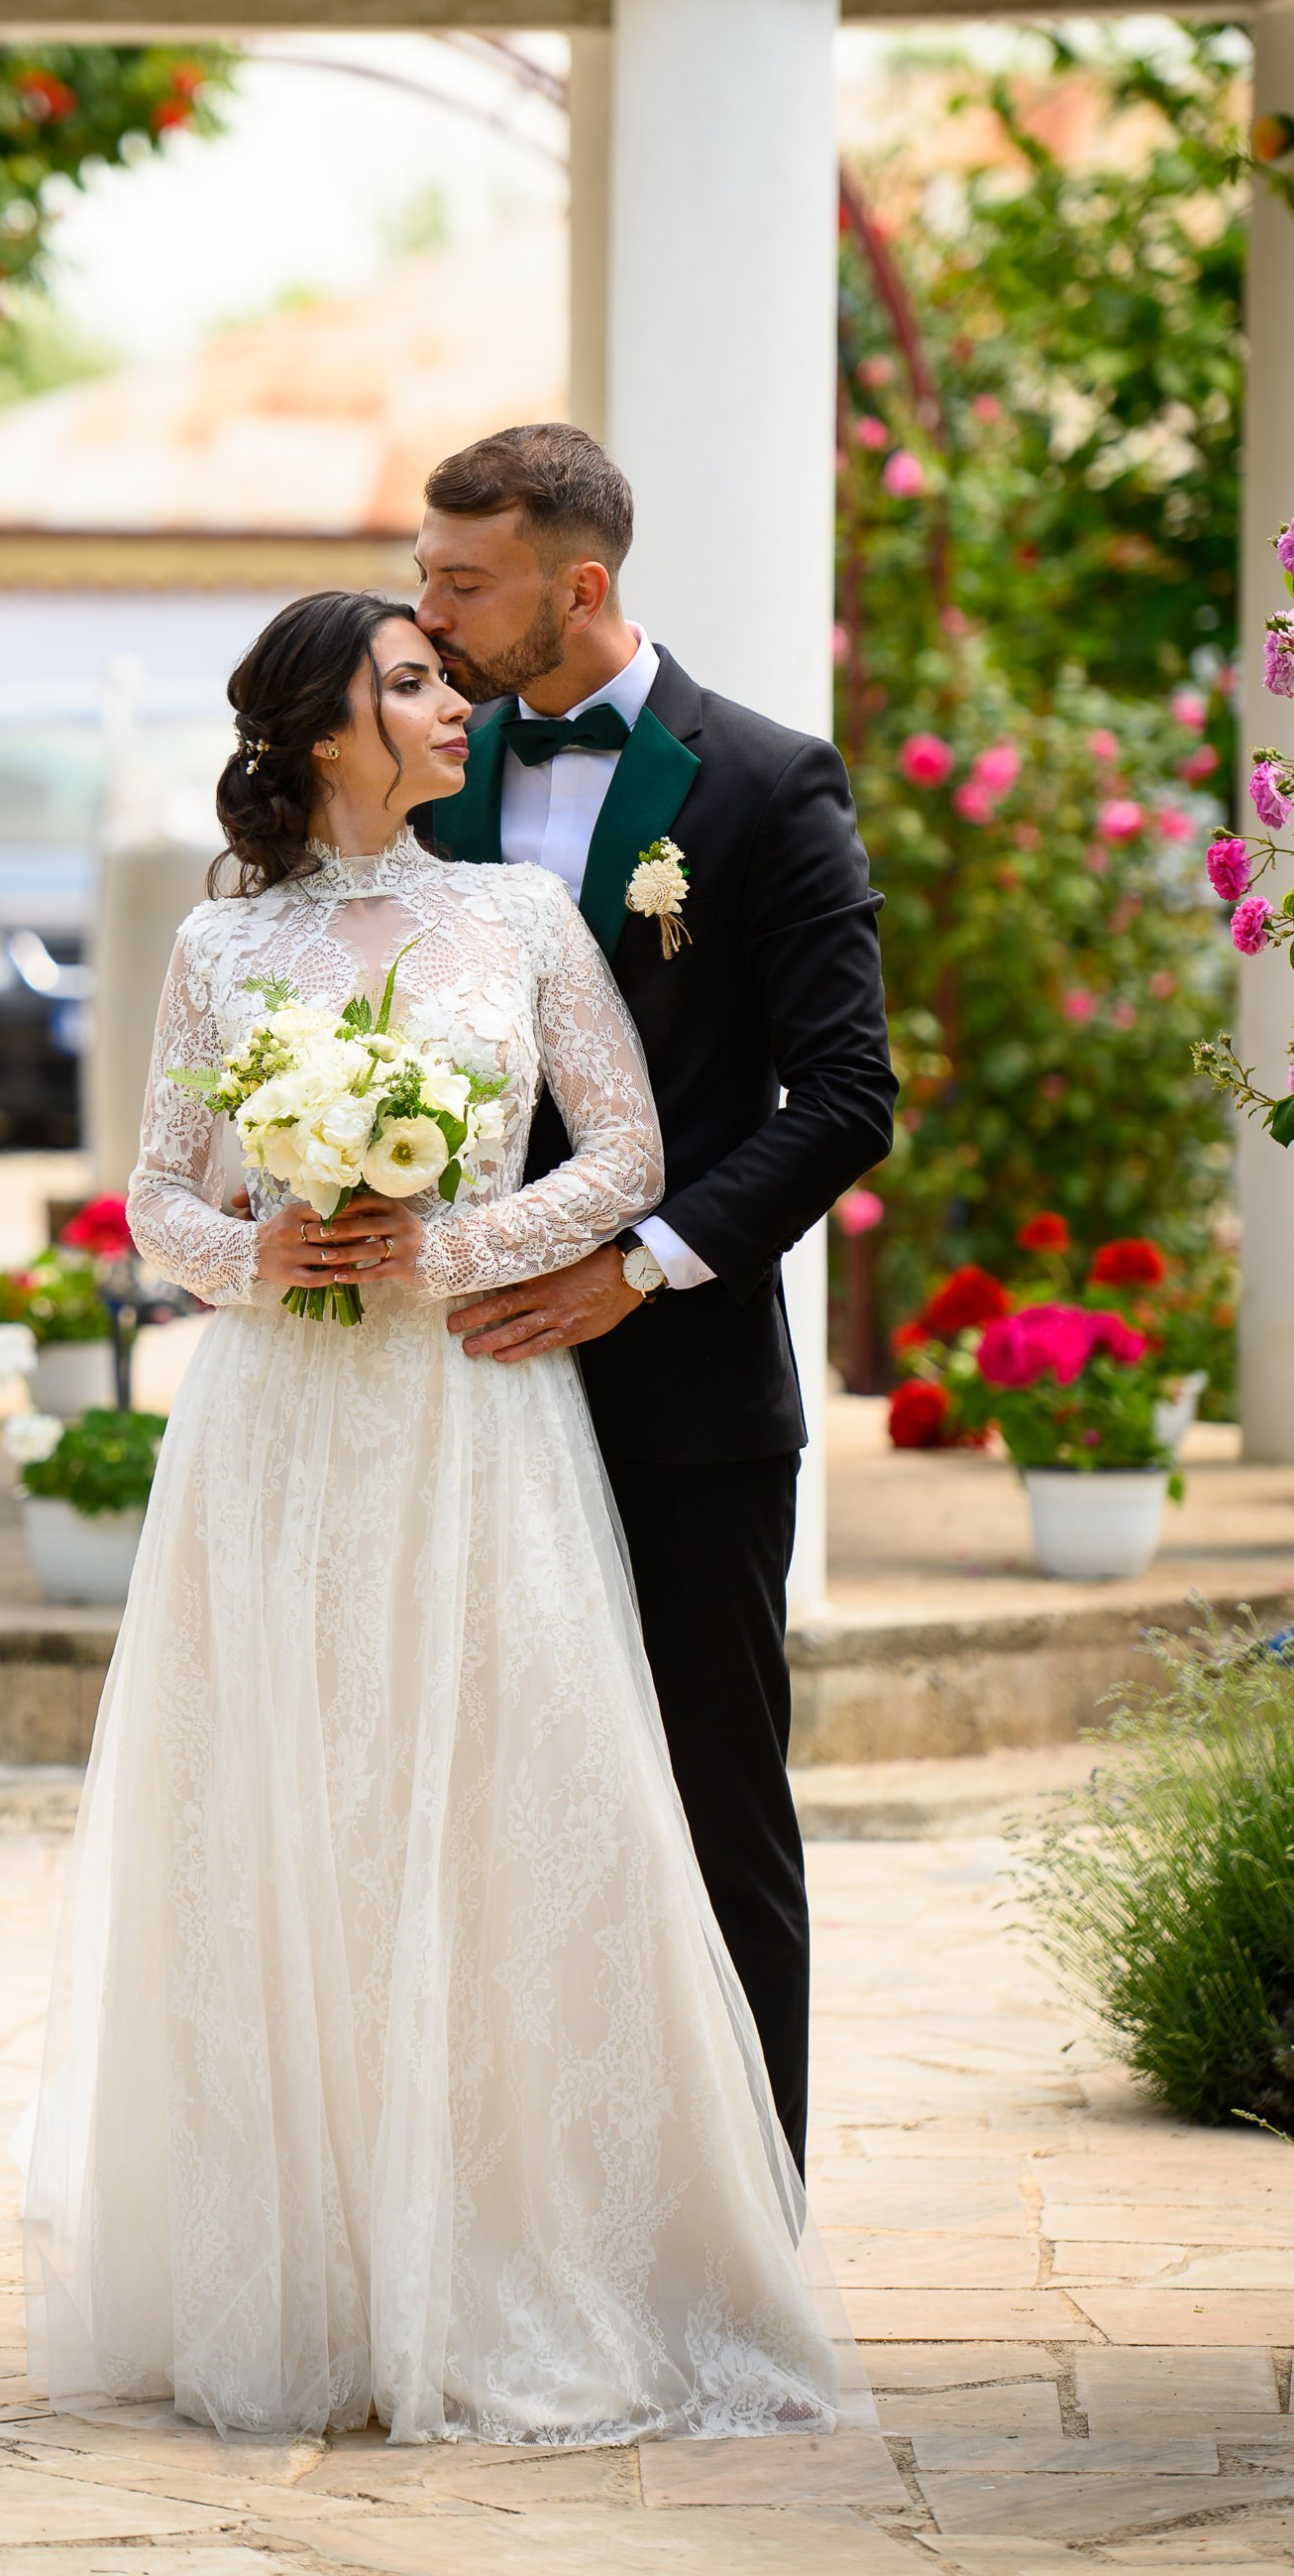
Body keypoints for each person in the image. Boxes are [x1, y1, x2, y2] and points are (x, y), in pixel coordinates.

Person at [24, 587, 845, 2446]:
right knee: (291, 1811)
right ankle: (305, 2279)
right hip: (276, 1434)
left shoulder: (521, 915)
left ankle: (503, 2260)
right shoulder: (222, 951)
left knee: (486, 1807)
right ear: (325, 729)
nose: (452, 697)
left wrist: (446, 1252)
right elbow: (155, 1196)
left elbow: (629, 1152)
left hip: (476, 1415)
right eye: (411, 681)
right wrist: (266, 1250)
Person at [413, 422, 898, 2175]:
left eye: (465, 583)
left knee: (713, 1812)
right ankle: (501, 2206)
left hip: (680, 1393)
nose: (434, 614)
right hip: (445, 1384)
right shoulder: (415, 774)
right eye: (426, 576)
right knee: (471, 1810)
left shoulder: (765, 784)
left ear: (580, 582)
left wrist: (639, 1269)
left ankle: (740, 2228)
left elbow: (847, 1097)